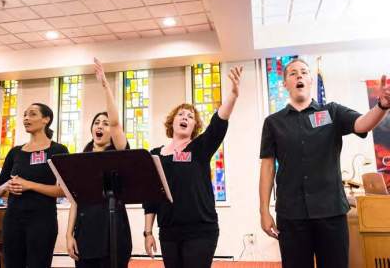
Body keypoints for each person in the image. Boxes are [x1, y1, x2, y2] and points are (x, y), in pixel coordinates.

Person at [259, 58, 390, 268]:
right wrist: (264, 211)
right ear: (285, 84)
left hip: (331, 213)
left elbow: (362, 124)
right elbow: (267, 168)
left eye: (303, 72)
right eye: (292, 73)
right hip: (291, 216)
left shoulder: (332, 112)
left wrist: (382, 106)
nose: (299, 75)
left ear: (311, 80)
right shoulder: (273, 123)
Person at [143, 66, 243, 268]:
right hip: (169, 231)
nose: (185, 118)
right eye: (181, 114)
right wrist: (148, 232)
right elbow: (151, 199)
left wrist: (233, 94)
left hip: (200, 230)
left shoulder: (199, 148)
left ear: (194, 126)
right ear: (172, 122)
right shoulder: (155, 155)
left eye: (190, 116)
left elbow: (218, 123)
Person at [65, 58, 131, 268]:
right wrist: (68, 235)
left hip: (113, 228)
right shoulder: (81, 159)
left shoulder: (118, 152)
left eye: (105, 123)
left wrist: (105, 86)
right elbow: (75, 201)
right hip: (86, 230)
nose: (100, 126)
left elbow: (116, 122)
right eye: (96, 123)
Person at [0, 103, 69, 268]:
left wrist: (30, 185)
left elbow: (64, 190)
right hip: (13, 220)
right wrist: (7, 185)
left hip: (42, 221)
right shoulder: (15, 152)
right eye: (25, 115)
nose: (26, 118)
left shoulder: (58, 150)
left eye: (32, 114)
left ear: (46, 119)